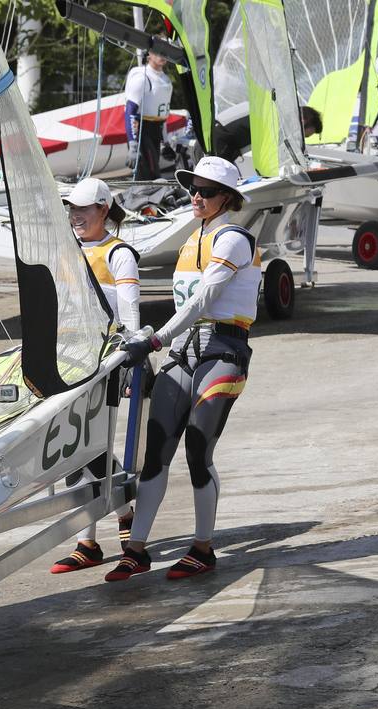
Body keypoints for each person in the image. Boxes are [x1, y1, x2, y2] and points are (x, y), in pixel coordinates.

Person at [106, 156, 260, 581]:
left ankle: (203, 548)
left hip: (224, 349)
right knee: (155, 451)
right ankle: (136, 550)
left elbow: (203, 302)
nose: (196, 196)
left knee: (197, 448)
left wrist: (154, 339)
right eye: (193, 188)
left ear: (227, 198)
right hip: (183, 350)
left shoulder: (233, 238)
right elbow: (181, 305)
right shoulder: (194, 237)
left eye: (206, 191)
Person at [49, 177, 141, 573]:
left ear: (104, 208)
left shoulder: (119, 254)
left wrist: (130, 360)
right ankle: (88, 541)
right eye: (71, 209)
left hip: (104, 362)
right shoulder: (65, 251)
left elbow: (131, 315)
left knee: (92, 446)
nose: (75, 216)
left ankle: (122, 512)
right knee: (70, 449)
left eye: (83, 209)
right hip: (65, 360)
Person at [212, 103, 322, 161]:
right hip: (219, 144)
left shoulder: (275, 107)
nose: (299, 137)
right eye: (303, 135)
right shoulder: (279, 120)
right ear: (303, 121)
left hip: (212, 140)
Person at [124, 51, 173, 181]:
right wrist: (133, 145)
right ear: (150, 54)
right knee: (150, 175)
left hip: (156, 131)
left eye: (165, 50)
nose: (163, 54)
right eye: (158, 51)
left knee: (152, 173)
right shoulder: (142, 78)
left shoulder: (165, 79)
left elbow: (162, 116)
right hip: (142, 131)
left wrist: (165, 143)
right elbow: (130, 112)